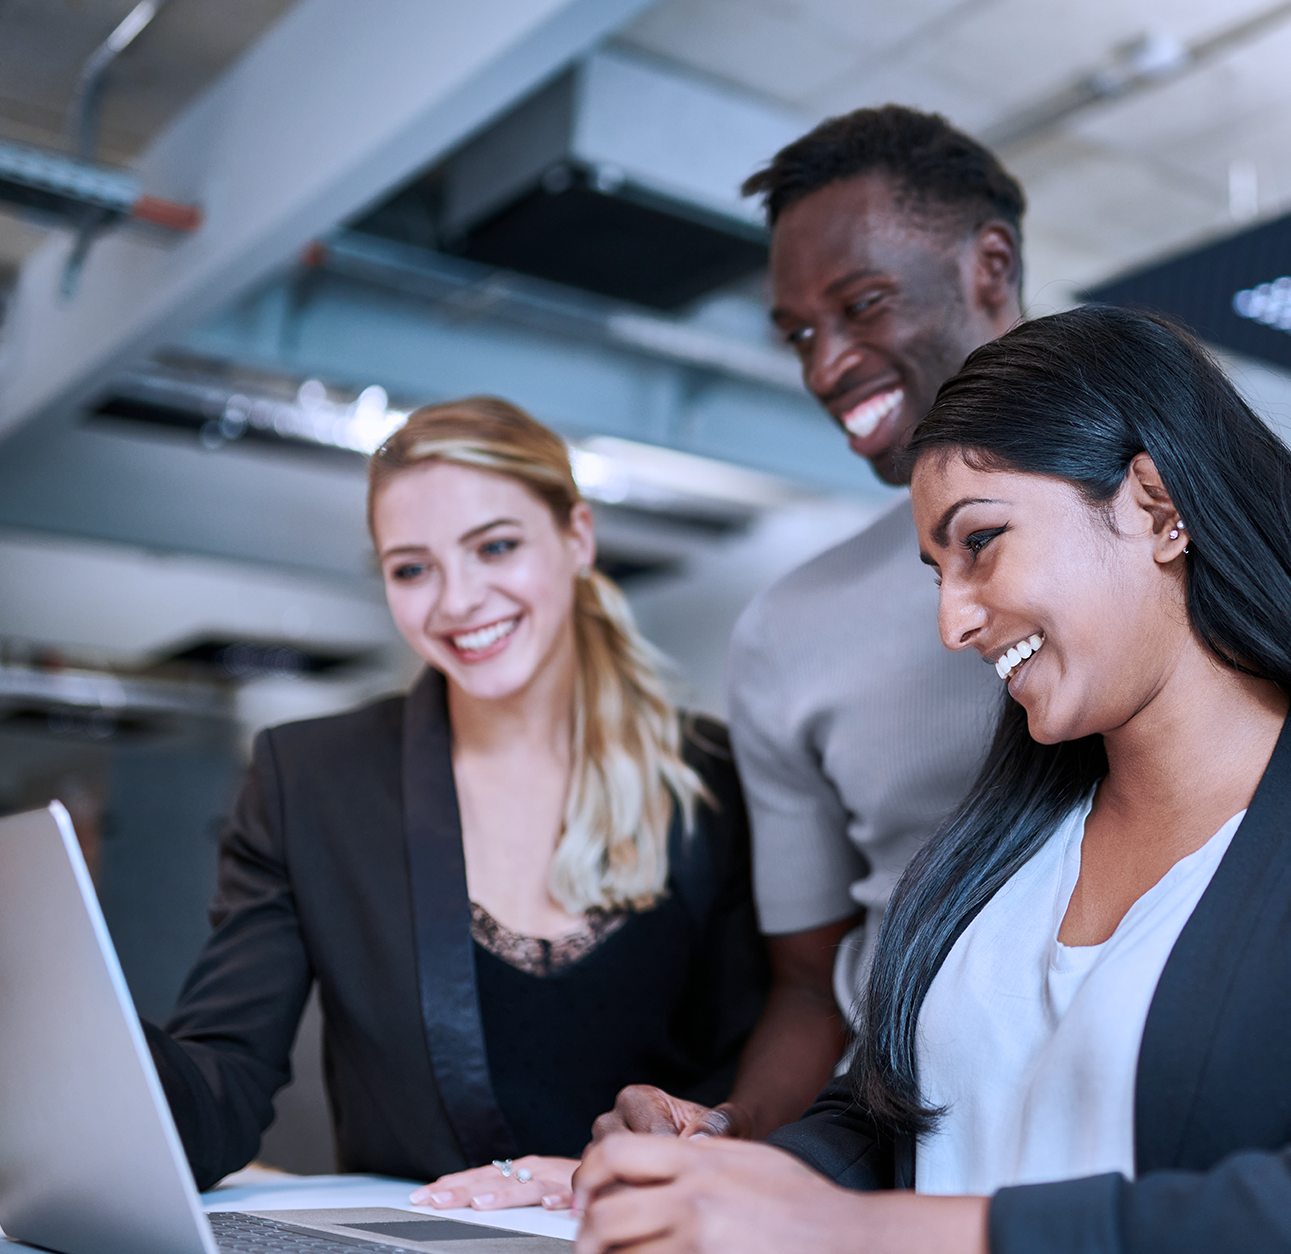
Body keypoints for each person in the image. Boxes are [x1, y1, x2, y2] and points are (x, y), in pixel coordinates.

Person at [574, 304, 1291, 1253]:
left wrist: (877, 1235)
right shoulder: (1007, 840)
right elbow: (886, 1125)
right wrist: (725, 1167)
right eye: (935, 570)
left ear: (1156, 508)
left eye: (980, 541)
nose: (953, 621)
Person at [142, 396, 768, 1209]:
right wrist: (75, 1048)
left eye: (495, 547)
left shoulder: (714, 777)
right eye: (412, 568)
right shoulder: (309, 780)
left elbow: (755, 1071)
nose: (457, 601)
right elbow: (222, 1078)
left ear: (577, 536)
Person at [595, 106, 1024, 1140]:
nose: (823, 367)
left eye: (862, 304)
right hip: (893, 1147)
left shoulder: (1207, 518)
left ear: (989, 268)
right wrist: (731, 1140)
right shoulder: (791, 628)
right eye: (797, 333)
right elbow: (814, 985)